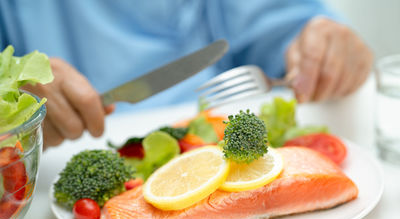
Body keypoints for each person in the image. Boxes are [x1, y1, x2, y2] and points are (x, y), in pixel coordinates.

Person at [0, 0, 373, 149]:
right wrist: (12, 99)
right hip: (53, 162)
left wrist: (326, 45)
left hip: (220, 127)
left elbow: (285, 25)